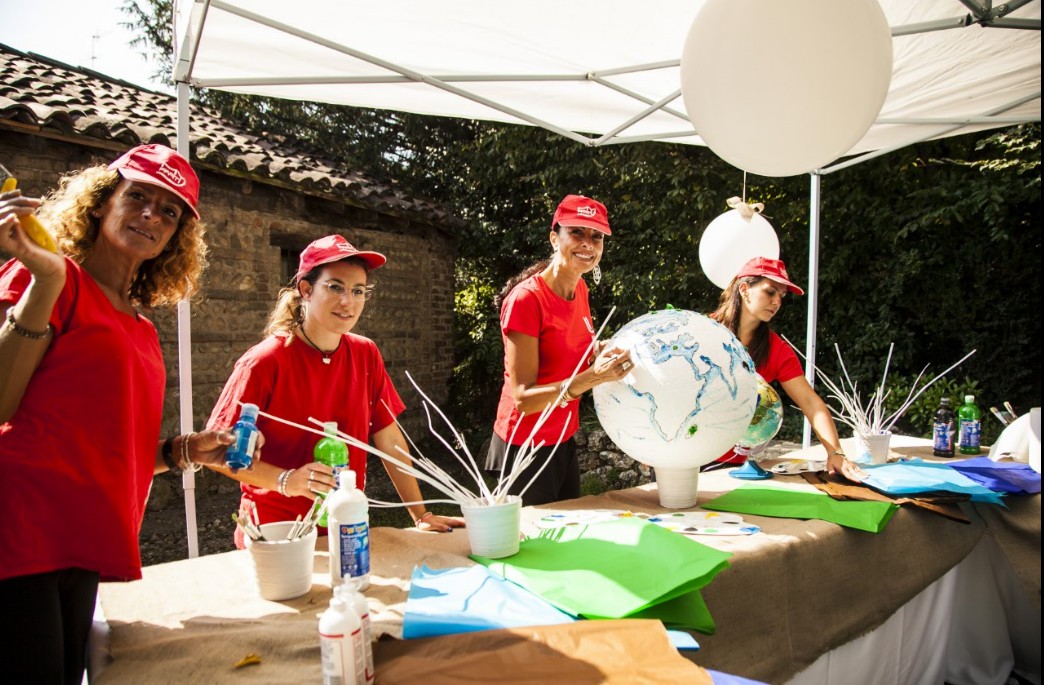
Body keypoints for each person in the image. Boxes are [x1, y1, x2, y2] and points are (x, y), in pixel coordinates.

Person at [0, 144, 260, 685]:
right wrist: (46, 279)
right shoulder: (50, 278)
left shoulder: (140, 326)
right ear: (100, 202)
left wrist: (185, 451)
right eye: (137, 196)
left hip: (80, 541)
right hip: (20, 532)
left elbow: (110, 443)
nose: (151, 215)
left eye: (170, 211)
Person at [206, 234, 464, 545]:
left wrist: (419, 514)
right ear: (305, 290)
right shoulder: (263, 362)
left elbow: (389, 438)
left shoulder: (366, 353)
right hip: (276, 535)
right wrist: (286, 480)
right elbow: (216, 454)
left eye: (358, 291)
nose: (348, 302)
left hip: (347, 529)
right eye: (335, 287)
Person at [485, 194, 633, 506]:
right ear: (555, 239)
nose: (587, 244)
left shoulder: (579, 287)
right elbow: (524, 398)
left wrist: (596, 351)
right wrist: (593, 377)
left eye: (596, 236)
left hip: (562, 437)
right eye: (577, 232)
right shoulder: (526, 300)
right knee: (534, 549)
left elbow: (565, 346)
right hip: (524, 445)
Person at [709, 256, 864, 480]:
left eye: (781, 296)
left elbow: (811, 403)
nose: (777, 302)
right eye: (770, 292)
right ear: (744, 289)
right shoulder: (702, 333)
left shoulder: (777, 350)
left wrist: (836, 453)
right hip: (684, 456)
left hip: (734, 467)